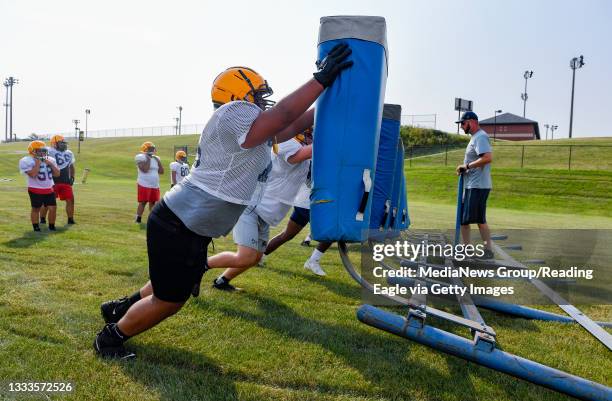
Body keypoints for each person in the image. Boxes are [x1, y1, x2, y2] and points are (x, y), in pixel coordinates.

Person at [94, 43, 353, 359]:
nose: (262, 101)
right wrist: (321, 79)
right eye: (257, 95)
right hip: (181, 221)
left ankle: (119, 308)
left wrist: (333, 99)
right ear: (238, 96)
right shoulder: (232, 112)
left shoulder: (246, 125)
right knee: (171, 299)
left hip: (188, 222)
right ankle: (110, 338)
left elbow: (291, 124)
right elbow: (284, 113)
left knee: (172, 282)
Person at [208, 130, 312, 291]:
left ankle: (222, 281)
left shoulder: (302, 150)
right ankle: (199, 265)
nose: (311, 136)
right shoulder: (286, 141)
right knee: (246, 256)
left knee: (255, 258)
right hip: (254, 207)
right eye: (310, 132)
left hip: (265, 213)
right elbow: (297, 156)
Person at [263, 179, 333, 276]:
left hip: (306, 203)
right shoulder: (313, 164)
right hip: (311, 203)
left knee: (286, 235)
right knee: (331, 233)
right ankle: (313, 261)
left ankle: (260, 256)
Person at [455, 111, 494, 259]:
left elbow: (487, 158)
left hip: (478, 186)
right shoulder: (475, 138)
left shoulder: (481, 136)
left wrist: (467, 166)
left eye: (463, 123)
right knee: (464, 220)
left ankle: (488, 250)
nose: (461, 127)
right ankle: (467, 249)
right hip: (471, 184)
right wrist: (464, 169)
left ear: (471, 122)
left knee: (479, 219)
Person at [18, 141, 60, 231]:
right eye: (40, 151)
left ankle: (52, 226)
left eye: (44, 150)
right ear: (32, 151)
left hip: (49, 188)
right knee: (36, 209)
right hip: (35, 188)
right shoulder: (26, 160)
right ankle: (36, 227)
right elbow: (33, 174)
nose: (43, 153)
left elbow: (57, 174)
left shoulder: (51, 159)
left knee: (53, 208)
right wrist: (38, 163)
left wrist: (51, 164)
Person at [40, 135, 76, 225]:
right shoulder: (49, 150)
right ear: (54, 143)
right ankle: (42, 218)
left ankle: (70, 219)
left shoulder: (69, 153)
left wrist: (72, 177)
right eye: (61, 143)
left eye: (64, 143)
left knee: (70, 200)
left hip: (65, 181)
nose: (63, 145)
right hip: (52, 181)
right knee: (47, 203)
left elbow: (71, 166)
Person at [134, 142, 164, 223]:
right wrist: (148, 159)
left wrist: (158, 161)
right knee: (143, 202)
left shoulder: (156, 158)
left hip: (154, 184)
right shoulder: (140, 157)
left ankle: (152, 220)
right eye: (150, 148)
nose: (152, 150)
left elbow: (161, 171)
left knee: (153, 202)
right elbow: (145, 169)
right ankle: (138, 219)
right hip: (144, 183)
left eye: (152, 148)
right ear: (145, 149)